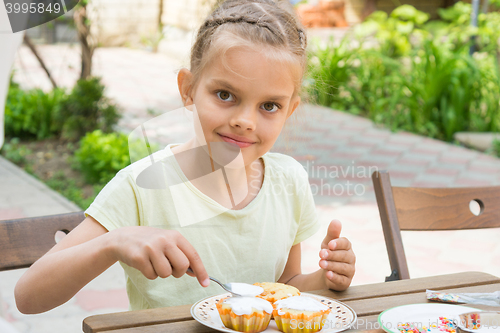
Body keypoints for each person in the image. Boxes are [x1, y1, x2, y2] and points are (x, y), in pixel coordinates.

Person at [14, 0, 355, 314]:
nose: (245, 121)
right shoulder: (140, 189)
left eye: (269, 106)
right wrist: (113, 242)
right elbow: (28, 296)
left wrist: (325, 279)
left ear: (290, 110)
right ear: (188, 89)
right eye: (225, 95)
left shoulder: (288, 182)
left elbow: (284, 289)